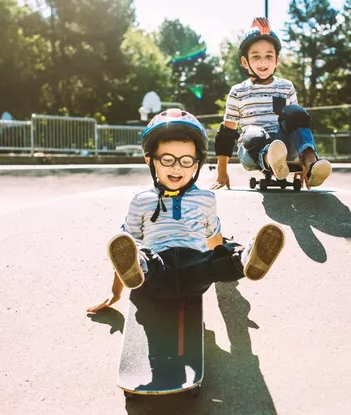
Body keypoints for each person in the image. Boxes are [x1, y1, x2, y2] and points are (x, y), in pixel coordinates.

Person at [86, 108, 286, 313]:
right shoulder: (141, 199)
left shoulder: (206, 199)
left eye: (186, 161)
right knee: (142, 255)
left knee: (217, 257)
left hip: (195, 274)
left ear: (196, 165)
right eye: (167, 159)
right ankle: (139, 266)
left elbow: (214, 239)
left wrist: (223, 255)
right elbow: (125, 246)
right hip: (154, 275)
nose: (177, 168)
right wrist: (115, 292)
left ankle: (245, 259)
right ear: (150, 160)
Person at [211, 16, 332, 191]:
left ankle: (311, 164)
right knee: (254, 132)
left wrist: (299, 170)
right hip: (251, 149)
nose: (263, 61)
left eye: (269, 56)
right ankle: (272, 159)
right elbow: (227, 133)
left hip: (284, 145)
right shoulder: (238, 91)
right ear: (245, 62)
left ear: (277, 60)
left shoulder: (285, 87)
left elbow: (297, 125)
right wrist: (221, 172)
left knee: (295, 113)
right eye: (256, 56)